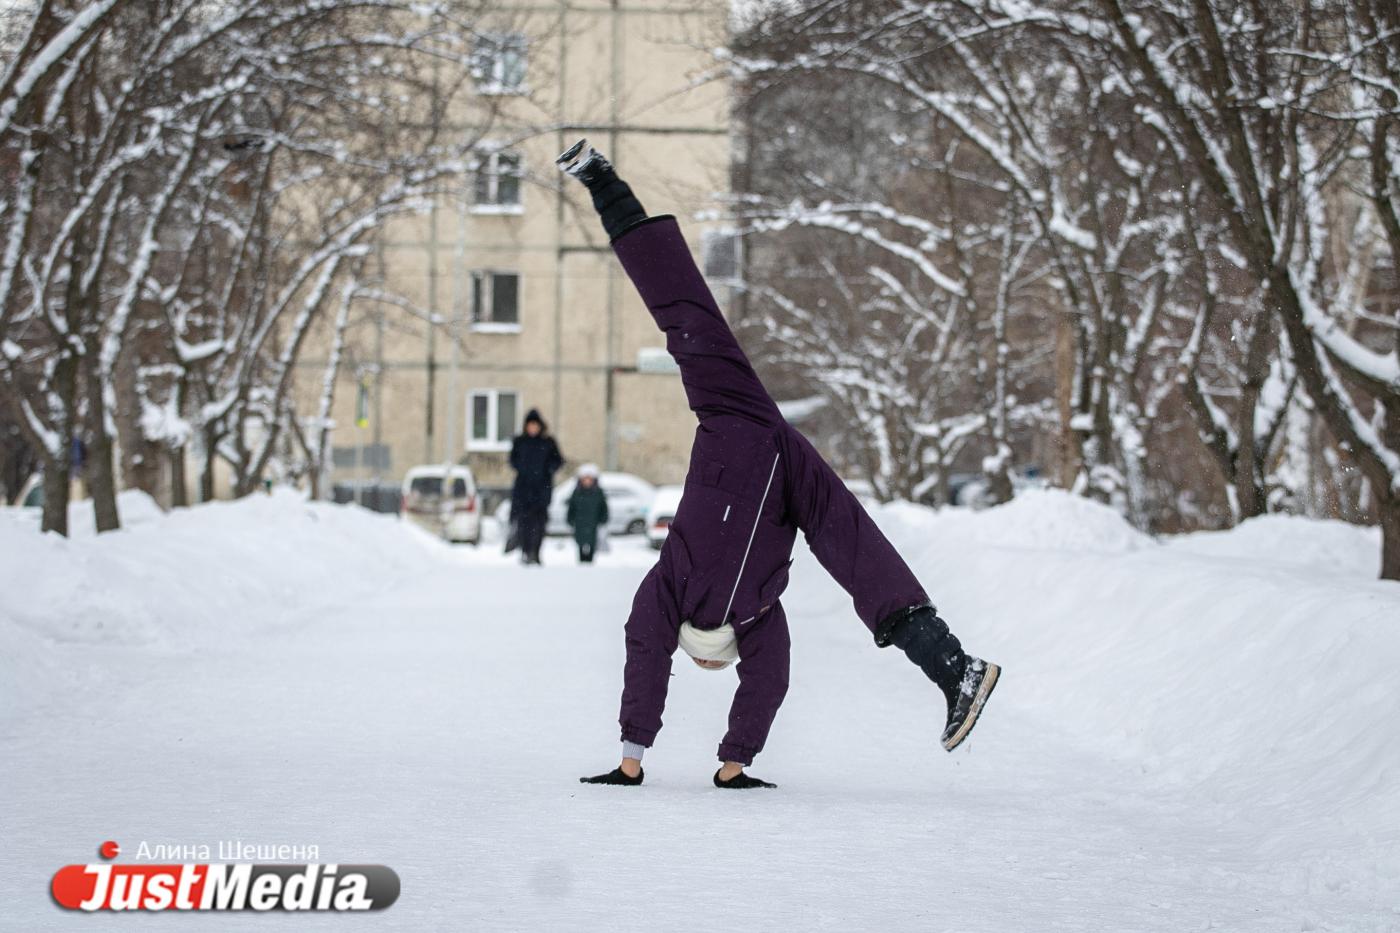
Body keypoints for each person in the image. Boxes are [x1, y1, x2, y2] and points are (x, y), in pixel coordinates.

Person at [560, 140, 1001, 790]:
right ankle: (953, 665)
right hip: (760, 440)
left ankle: (953, 666)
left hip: (734, 417)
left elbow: (648, 652)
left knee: (853, 543)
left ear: (702, 641)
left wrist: (635, 756)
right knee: (682, 309)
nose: (714, 668)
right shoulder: (753, 617)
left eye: (707, 664)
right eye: (718, 667)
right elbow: (755, 676)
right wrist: (725, 763)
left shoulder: (678, 597)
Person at [509, 409, 563, 565]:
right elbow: (512, 461)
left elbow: (558, 461)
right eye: (530, 425)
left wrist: (547, 470)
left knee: (539, 524)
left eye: (535, 425)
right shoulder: (520, 442)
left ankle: (536, 552)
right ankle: (525, 551)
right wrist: (523, 468)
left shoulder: (548, 443)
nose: (533, 428)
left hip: (541, 490)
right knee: (524, 523)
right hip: (523, 490)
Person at [566, 464, 610, 564]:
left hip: (593, 522)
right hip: (580, 522)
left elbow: (603, 507)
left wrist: (603, 519)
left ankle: (590, 559)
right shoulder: (577, 492)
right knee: (580, 542)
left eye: (589, 479)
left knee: (592, 542)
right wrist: (570, 519)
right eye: (585, 479)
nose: (587, 481)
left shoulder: (598, 493)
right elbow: (571, 507)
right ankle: (582, 559)